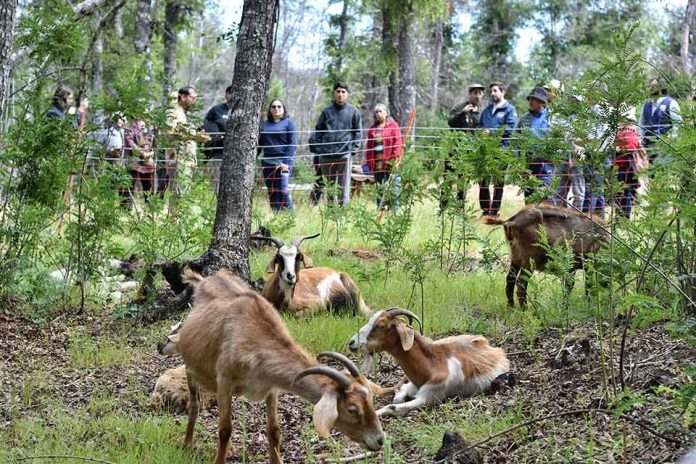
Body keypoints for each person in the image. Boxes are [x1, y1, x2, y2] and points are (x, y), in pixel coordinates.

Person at [312, 82, 362, 205]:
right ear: (334, 93)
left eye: (343, 92)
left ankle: (342, 217)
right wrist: (319, 149)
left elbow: (358, 132)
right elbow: (318, 130)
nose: (340, 94)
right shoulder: (326, 112)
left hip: (344, 155)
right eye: (338, 91)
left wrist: (353, 149)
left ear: (347, 94)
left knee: (343, 188)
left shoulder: (353, 112)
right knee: (329, 189)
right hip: (326, 155)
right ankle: (330, 217)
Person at [163, 86, 208, 212]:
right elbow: (169, 133)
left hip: (187, 160)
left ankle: (177, 224)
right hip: (178, 159)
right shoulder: (172, 112)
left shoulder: (182, 113)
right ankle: (173, 226)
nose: (194, 101)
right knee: (178, 194)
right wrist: (194, 136)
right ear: (183, 97)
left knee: (183, 194)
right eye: (192, 98)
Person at [442, 83, 485, 211]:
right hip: (454, 150)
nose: (477, 96)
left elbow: (479, 130)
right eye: (475, 93)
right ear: (470, 94)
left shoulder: (480, 112)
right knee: (448, 179)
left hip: (469, 153)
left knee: (463, 181)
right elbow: (450, 122)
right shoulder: (460, 107)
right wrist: (463, 113)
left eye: (480, 93)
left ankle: (459, 209)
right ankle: (443, 208)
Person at [478, 82, 517, 216]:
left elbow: (510, 129)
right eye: (491, 91)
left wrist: (492, 132)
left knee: (498, 182)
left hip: (502, 150)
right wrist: (480, 132)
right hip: (485, 151)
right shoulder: (487, 110)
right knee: (483, 180)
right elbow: (479, 126)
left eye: (495, 91)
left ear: (503, 91)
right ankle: (485, 210)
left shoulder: (509, 109)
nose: (492, 93)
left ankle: (494, 211)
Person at [259, 99, 297, 211]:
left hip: (284, 163)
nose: (276, 109)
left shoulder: (289, 123)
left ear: (283, 108)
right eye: (274, 106)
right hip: (267, 163)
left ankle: (292, 216)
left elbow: (292, 144)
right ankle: (276, 217)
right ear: (270, 109)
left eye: (279, 106)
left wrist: (285, 162)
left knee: (283, 190)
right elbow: (259, 144)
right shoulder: (264, 124)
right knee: (272, 192)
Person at [364, 103, 403, 209]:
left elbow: (398, 143)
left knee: (393, 190)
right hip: (377, 164)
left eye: (380, 111)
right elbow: (369, 148)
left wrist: (395, 159)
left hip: (391, 163)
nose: (378, 114)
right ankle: (380, 212)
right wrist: (368, 162)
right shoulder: (372, 129)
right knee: (380, 190)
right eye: (376, 112)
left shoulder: (393, 126)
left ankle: (395, 213)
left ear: (386, 113)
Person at [517, 86, 551, 203]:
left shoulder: (551, 117)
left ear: (542, 102)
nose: (530, 102)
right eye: (529, 99)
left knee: (544, 196)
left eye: (534, 99)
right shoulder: (524, 119)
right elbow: (517, 142)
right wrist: (520, 165)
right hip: (529, 165)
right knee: (529, 199)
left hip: (547, 164)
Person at [640, 78, 682, 164]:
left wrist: (670, 141)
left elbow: (678, 124)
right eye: (650, 86)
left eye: (654, 86)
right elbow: (641, 123)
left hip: (664, 146)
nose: (651, 88)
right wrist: (640, 140)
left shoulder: (671, 103)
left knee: (662, 171)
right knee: (651, 173)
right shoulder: (646, 104)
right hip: (648, 146)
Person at [614, 107, 642, 218]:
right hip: (620, 166)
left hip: (626, 167)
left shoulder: (630, 132)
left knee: (625, 193)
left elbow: (631, 148)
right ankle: (620, 216)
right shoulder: (622, 132)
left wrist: (617, 150)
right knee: (621, 193)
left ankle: (624, 217)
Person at [124, 117, 156, 200]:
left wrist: (150, 153)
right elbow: (130, 142)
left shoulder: (149, 123)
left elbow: (153, 140)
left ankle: (149, 210)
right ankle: (125, 210)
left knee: (149, 190)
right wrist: (142, 153)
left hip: (148, 162)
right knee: (128, 188)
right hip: (133, 161)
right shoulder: (129, 125)